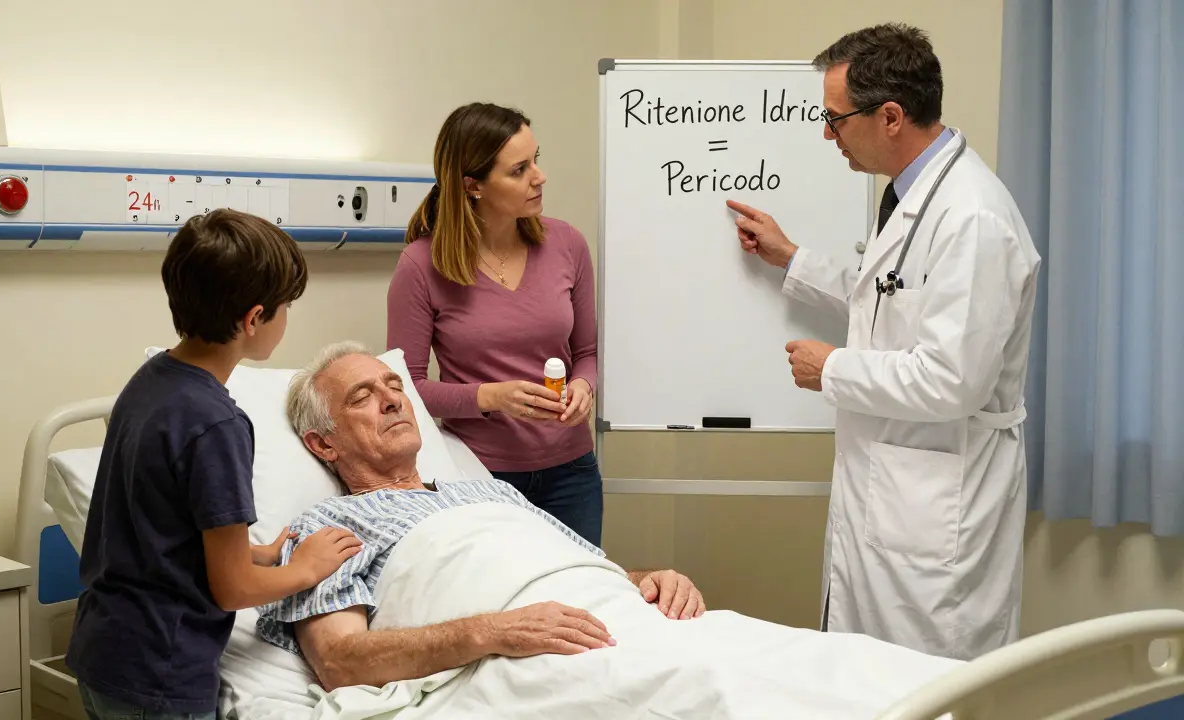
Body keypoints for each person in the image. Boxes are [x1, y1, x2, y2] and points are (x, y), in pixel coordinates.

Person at [726, 23, 1041, 661]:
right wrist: (793, 259)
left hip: (936, 513)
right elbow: (892, 300)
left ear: (890, 116)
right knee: (868, 677)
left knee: (932, 685)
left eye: (834, 120)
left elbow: (954, 379)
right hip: (895, 495)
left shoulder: (971, 217)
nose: (827, 134)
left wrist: (832, 369)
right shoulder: (913, 196)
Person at [257, 342, 705, 692]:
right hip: (529, 659)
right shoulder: (327, 528)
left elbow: (574, 569)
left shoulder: (492, 490)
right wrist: (494, 631)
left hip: (615, 621)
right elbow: (340, 662)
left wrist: (650, 579)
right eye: (362, 397)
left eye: (395, 388)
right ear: (323, 445)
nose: (392, 401)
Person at [65, 210, 364, 719]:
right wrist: (306, 568)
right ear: (253, 319)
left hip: (104, 652)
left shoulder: (150, 381)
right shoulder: (218, 424)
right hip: (161, 673)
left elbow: (160, 530)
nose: (287, 317)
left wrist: (260, 554)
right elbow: (233, 590)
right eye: (285, 306)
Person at [386, 102, 603, 547]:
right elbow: (405, 389)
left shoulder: (568, 244)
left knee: (580, 607)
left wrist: (583, 387)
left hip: (572, 475)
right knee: (503, 613)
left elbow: (586, 354)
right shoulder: (421, 266)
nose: (539, 177)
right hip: (480, 475)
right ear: (473, 186)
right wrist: (491, 397)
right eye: (519, 169)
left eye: (536, 160)